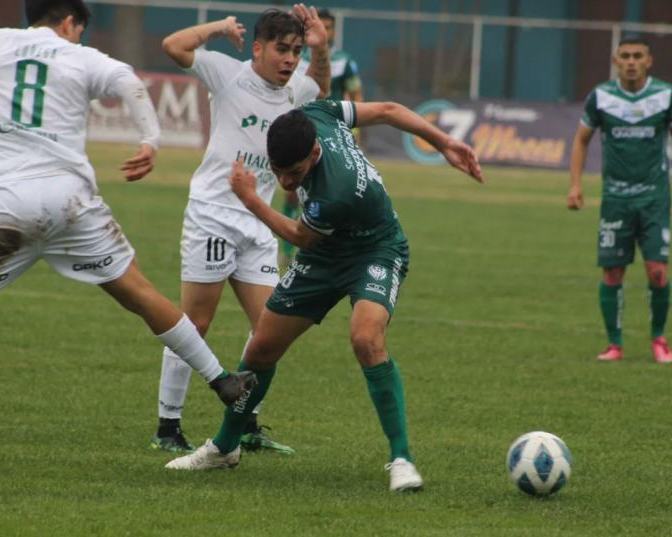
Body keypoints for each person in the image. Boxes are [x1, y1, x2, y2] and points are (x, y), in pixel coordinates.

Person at [0, 0, 256, 473]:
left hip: (7, 207)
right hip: (71, 203)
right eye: (80, 30)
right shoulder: (81, 57)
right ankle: (221, 379)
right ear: (70, 22)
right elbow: (131, 85)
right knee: (139, 292)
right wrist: (151, 140)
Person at [164, 98, 483, 492]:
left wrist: (251, 200)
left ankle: (402, 458)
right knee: (261, 348)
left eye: (294, 173)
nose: (285, 182)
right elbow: (386, 110)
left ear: (314, 152)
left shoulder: (337, 190)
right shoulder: (316, 114)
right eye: (278, 172)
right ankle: (224, 448)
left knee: (366, 338)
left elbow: (300, 237)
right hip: (325, 257)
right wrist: (443, 142)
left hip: (374, 250)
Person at [151, 6, 330, 455]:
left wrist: (321, 48)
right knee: (197, 322)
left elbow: (322, 86)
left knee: (268, 330)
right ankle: (167, 427)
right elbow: (173, 45)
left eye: (295, 51)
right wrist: (216, 28)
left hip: (259, 221)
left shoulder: (296, 91)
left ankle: (244, 422)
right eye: (281, 50)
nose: (290, 59)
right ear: (257, 47)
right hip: (213, 213)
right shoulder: (227, 74)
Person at [568, 36, 672, 364]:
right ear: (615, 60)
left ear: (649, 60)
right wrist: (575, 185)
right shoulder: (602, 97)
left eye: (638, 56)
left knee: (657, 272)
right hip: (615, 199)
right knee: (612, 273)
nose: (631, 61)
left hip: (654, 197)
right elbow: (581, 141)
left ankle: (659, 339)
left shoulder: (665, 96)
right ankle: (615, 344)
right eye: (625, 56)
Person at [281, 7, 364, 267]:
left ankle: (333, 247)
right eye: (321, 27)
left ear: (334, 30)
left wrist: (356, 132)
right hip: (304, 128)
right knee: (293, 192)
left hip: (334, 130)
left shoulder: (344, 60)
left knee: (333, 189)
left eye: (329, 28)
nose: (325, 31)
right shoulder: (297, 57)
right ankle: (287, 251)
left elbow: (356, 95)